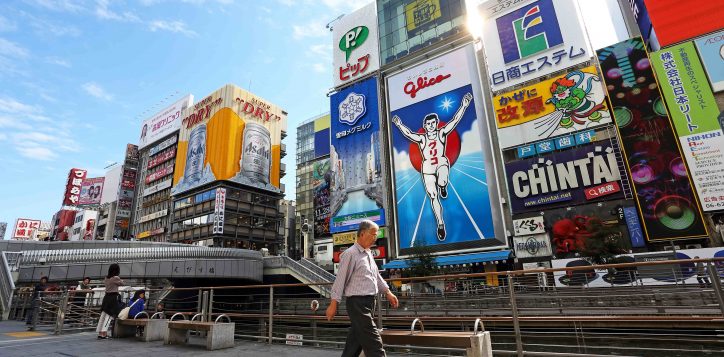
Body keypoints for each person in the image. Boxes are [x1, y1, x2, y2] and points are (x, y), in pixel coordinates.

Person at [391, 92, 473, 241]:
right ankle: (440, 223)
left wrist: (464, 105)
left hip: (441, 162)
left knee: (442, 179)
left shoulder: (442, 133)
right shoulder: (422, 138)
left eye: (433, 123)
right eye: (428, 124)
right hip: (427, 167)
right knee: (433, 197)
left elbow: (455, 121)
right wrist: (398, 124)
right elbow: (409, 133)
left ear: (436, 123)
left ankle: (443, 186)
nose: (431, 126)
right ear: (425, 126)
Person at [326, 220, 399, 357]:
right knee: (373, 342)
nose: (375, 237)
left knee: (355, 343)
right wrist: (333, 303)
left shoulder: (368, 253)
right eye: (373, 234)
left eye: (376, 235)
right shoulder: (350, 254)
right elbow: (340, 280)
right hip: (357, 304)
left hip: (370, 302)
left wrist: (388, 292)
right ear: (362, 233)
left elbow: (376, 276)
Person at [96, 264, 124, 339]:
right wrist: (121, 280)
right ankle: (104, 334)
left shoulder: (106, 278)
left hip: (106, 297)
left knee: (103, 315)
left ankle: (100, 332)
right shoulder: (115, 278)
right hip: (112, 298)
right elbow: (122, 283)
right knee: (109, 316)